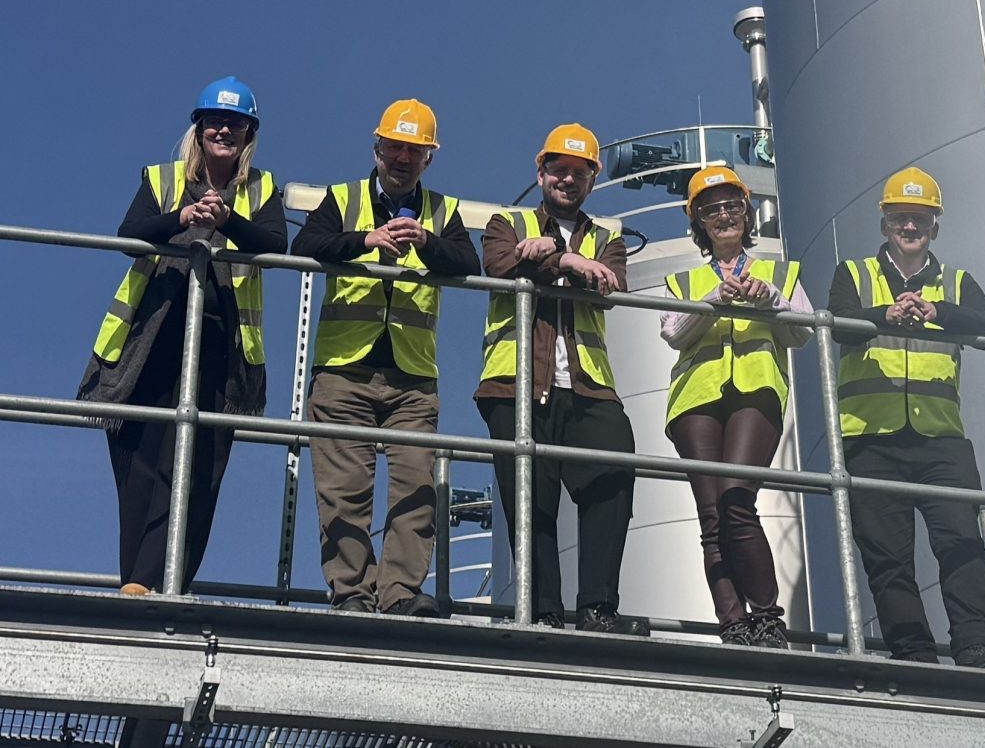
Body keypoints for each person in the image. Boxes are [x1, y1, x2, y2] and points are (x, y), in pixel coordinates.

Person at [79, 75, 286, 596]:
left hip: (220, 348)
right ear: (197, 129)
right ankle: (139, 580)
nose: (224, 130)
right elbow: (130, 237)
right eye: (214, 121)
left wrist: (227, 220)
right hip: (150, 339)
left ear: (248, 135)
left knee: (199, 467)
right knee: (139, 456)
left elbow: (276, 243)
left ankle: (165, 581)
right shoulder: (163, 178)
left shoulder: (260, 189)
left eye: (235, 123)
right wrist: (183, 216)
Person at [827, 166, 985, 670]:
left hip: (941, 439)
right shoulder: (853, 275)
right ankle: (912, 653)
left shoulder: (955, 282)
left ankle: (974, 646)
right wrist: (883, 315)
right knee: (887, 555)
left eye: (919, 219)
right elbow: (837, 328)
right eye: (900, 219)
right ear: (884, 225)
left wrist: (937, 312)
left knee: (961, 542)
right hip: (871, 437)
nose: (909, 227)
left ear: (934, 226)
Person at [291, 98, 479, 616]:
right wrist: (365, 241)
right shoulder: (342, 198)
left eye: (413, 151)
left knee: (417, 489)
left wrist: (425, 240)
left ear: (429, 160)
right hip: (344, 370)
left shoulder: (442, 212)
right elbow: (308, 243)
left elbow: (467, 261)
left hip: (413, 377)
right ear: (376, 149)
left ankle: (400, 596)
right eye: (394, 147)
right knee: (343, 490)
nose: (402, 158)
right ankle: (352, 593)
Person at [475, 123, 642, 633]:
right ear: (541, 172)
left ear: (592, 179)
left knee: (612, 476)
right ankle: (543, 612)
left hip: (589, 385)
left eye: (579, 172)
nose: (567, 179)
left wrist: (548, 257)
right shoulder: (508, 220)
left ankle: (597, 608)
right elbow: (501, 264)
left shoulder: (609, 236)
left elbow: (609, 283)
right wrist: (569, 260)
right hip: (516, 382)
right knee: (531, 499)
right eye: (559, 170)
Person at [658, 167, 812, 647]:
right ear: (698, 221)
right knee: (711, 515)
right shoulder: (682, 280)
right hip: (695, 402)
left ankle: (766, 617)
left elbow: (804, 330)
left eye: (732, 206)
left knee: (736, 500)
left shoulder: (778, 272)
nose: (723, 216)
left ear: (747, 214)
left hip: (756, 393)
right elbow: (671, 331)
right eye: (711, 209)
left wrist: (770, 301)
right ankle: (733, 624)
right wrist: (712, 300)